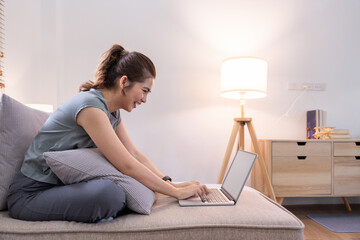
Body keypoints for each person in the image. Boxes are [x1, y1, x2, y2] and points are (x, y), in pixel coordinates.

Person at [7, 44, 209, 223]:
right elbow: (127, 165)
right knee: (110, 194)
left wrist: (170, 184)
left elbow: (134, 154)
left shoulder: (111, 111)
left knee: (119, 190)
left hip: (59, 188)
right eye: (144, 90)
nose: (145, 99)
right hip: (30, 194)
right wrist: (175, 192)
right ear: (124, 82)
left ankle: (154, 193)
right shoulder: (90, 107)